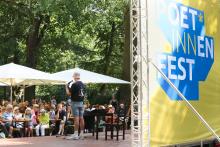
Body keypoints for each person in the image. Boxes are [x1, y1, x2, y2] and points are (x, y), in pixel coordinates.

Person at [65, 72, 85, 140]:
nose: (72, 77)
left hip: (75, 103)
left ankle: (76, 134)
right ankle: (82, 134)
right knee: (81, 118)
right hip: (81, 103)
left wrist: (66, 87)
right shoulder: (83, 84)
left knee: (76, 118)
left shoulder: (74, 84)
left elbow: (68, 93)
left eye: (73, 76)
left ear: (75, 76)